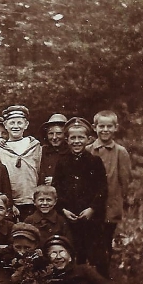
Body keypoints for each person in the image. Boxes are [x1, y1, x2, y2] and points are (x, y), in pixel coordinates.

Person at [52, 117, 108, 274]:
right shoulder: (62, 162)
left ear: (88, 139)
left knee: (96, 253)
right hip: (70, 217)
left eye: (81, 137)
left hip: (91, 218)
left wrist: (92, 209)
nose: (77, 141)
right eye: (73, 138)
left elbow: (102, 189)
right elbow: (57, 188)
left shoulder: (95, 162)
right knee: (74, 251)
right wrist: (63, 210)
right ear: (67, 140)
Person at [86, 110, 132, 277]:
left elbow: (125, 181)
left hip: (110, 207)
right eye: (101, 126)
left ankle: (104, 279)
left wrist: (119, 201)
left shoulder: (120, 152)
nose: (105, 130)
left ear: (115, 128)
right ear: (94, 128)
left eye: (109, 126)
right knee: (90, 242)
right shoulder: (88, 150)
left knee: (105, 243)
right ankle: (91, 278)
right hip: (91, 207)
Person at [0, 105, 42, 220]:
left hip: (32, 199)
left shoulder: (35, 146)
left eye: (19, 123)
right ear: (5, 125)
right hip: (10, 202)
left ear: (26, 125)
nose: (16, 126)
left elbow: (40, 170)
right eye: (12, 123)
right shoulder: (0, 149)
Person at [38, 113, 70, 185]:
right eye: (51, 133)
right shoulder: (42, 151)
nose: (54, 137)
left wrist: (56, 180)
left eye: (59, 133)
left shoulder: (71, 152)